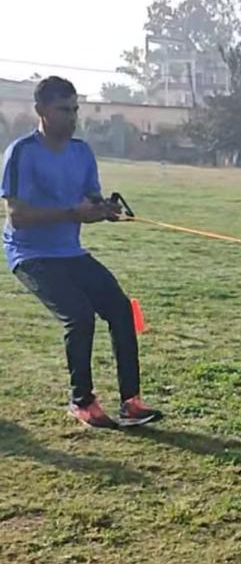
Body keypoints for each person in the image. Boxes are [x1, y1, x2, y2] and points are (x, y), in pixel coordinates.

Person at [1, 76, 162, 429]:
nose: (72, 117)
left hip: (69, 252)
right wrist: (73, 213)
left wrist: (104, 210)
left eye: (75, 109)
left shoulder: (82, 152)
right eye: (63, 110)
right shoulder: (22, 153)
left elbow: (89, 203)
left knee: (120, 309)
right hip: (30, 255)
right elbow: (19, 217)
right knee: (79, 315)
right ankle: (82, 401)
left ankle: (131, 402)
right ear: (41, 110)